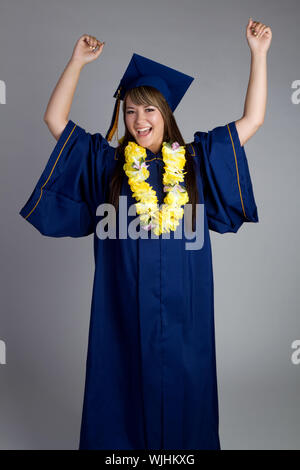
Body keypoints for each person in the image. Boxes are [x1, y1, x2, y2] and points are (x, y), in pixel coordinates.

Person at [19, 18, 272, 450]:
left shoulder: (196, 161)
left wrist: (258, 54)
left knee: (186, 392)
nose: (139, 120)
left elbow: (253, 119)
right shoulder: (107, 164)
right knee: (119, 385)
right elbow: (54, 118)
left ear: (166, 113)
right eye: (131, 111)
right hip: (121, 303)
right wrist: (77, 62)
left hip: (185, 309)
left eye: (149, 109)